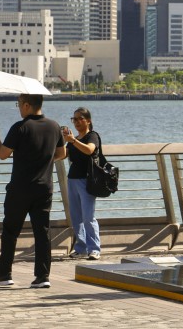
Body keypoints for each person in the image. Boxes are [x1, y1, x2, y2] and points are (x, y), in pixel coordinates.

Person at [0, 94, 66, 288]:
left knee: (10, 231)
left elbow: (2, 154)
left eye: (19, 104)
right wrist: (44, 161)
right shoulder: (54, 126)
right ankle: (42, 277)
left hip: (20, 188)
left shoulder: (20, 127)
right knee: (42, 232)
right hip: (44, 188)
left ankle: (4, 274)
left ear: (28, 105)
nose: (19, 108)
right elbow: (62, 154)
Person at [62, 107, 102, 260]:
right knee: (76, 217)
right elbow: (63, 155)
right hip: (72, 180)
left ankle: (94, 248)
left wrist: (73, 140)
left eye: (80, 119)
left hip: (87, 180)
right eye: (74, 119)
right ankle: (81, 248)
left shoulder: (92, 136)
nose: (77, 122)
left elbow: (89, 150)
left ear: (88, 120)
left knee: (88, 216)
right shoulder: (74, 139)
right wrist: (61, 140)